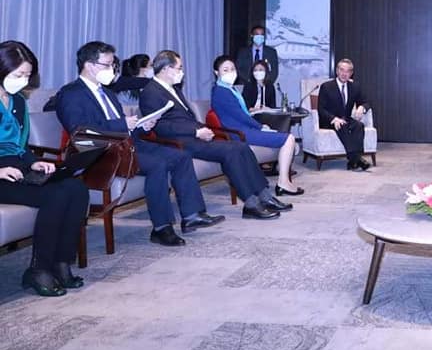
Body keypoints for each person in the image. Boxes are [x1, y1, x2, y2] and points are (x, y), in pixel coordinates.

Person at [57, 41, 225, 247]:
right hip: (101, 151)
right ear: (89, 65)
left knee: (180, 155)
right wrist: (122, 124)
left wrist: (142, 126)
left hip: (127, 144)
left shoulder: (107, 93)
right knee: (157, 164)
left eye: (112, 65)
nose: (112, 70)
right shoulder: (71, 93)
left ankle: (192, 215)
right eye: (107, 65)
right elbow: (80, 132)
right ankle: (162, 228)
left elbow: (124, 128)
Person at [140, 50, 290, 219]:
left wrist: (203, 129)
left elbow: (186, 118)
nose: (182, 72)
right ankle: (251, 204)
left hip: (194, 137)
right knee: (231, 151)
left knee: (241, 147)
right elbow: (161, 126)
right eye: (179, 68)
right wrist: (195, 131)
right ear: (166, 69)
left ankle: (264, 195)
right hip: (179, 142)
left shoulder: (173, 89)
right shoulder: (150, 92)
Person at [0, 41, 89, 297]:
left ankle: (61, 262)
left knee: (77, 189)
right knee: (56, 194)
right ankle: (39, 269)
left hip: (17, 169)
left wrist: (33, 162)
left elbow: (20, 145)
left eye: (28, 75)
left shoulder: (17, 101)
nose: (24, 80)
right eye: (19, 74)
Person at [210, 56, 302, 196]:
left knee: (284, 136)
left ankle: (283, 181)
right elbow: (241, 116)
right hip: (238, 133)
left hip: (243, 129)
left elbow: (242, 115)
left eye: (232, 69)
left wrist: (260, 126)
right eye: (225, 70)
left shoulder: (228, 89)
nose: (230, 73)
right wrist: (260, 127)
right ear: (217, 72)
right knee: (289, 138)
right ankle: (283, 183)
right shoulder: (221, 92)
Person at [317, 58, 371, 171]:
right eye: (341, 70)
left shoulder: (354, 86)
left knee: (359, 125)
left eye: (347, 71)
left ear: (351, 73)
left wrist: (362, 108)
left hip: (346, 119)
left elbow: (366, 102)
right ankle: (357, 159)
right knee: (342, 125)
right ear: (337, 71)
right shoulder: (326, 86)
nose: (344, 73)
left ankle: (354, 161)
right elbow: (321, 109)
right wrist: (334, 119)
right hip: (329, 120)